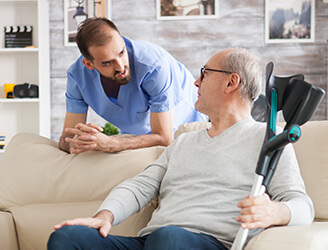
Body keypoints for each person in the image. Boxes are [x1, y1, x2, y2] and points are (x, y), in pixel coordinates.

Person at [48, 48, 314, 249]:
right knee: (67, 238)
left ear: (231, 82)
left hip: (208, 243)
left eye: (203, 74)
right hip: (154, 242)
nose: (195, 83)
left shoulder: (270, 139)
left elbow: (303, 206)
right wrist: (104, 216)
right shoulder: (184, 141)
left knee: (169, 238)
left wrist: (274, 212)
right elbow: (140, 186)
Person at [59, 17, 206, 154]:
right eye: (107, 62)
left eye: (122, 53)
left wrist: (112, 143)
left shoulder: (153, 65)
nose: (120, 66)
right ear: (89, 64)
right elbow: (66, 138)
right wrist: (78, 142)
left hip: (186, 125)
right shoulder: (77, 76)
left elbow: (164, 138)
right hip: (136, 136)